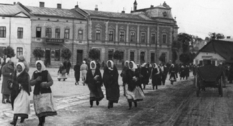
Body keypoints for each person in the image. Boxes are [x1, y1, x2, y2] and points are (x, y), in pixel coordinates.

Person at [30, 60, 57, 126]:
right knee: (38, 107)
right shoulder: (35, 73)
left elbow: (51, 82)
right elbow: (30, 83)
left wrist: (45, 84)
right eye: (37, 66)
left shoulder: (46, 72)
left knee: (43, 107)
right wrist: (36, 80)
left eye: (40, 66)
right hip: (37, 92)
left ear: (42, 65)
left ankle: (42, 121)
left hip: (45, 93)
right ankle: (40, 121)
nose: (38, 67)